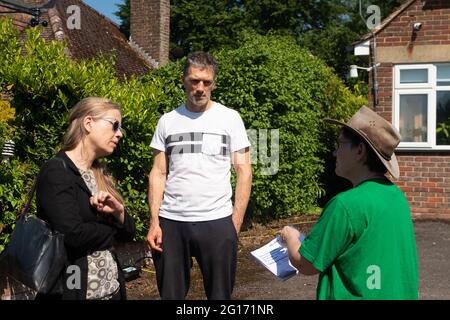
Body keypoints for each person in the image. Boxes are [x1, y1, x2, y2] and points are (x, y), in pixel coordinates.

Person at [280, 106, 419, 300]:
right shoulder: (396, 196)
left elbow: (305, 263)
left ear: (360, 150)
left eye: (340, 144)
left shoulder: (345, 205)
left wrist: (290, 237)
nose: (335, 153)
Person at [146, 51, 253, 300]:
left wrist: (234, 223)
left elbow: (244, 171)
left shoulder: (230, 118)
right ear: (184, 80)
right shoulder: (167, 121)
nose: (200, 88)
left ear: (213, 83)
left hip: (217, 220)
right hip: (171, 222)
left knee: (220, 297)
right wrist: (154, 222)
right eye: (195, 81)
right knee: (170, 296)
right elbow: (158, 172)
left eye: (206, 82)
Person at [35, 97, 136, 300]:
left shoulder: (100, 173)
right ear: (88, 123)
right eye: (114, 125)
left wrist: (118, 212)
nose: (120, 133)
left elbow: (129, 234)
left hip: (111, 290)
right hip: (76, 291)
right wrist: (113, 228)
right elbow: (73, 235)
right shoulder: (57, 171)